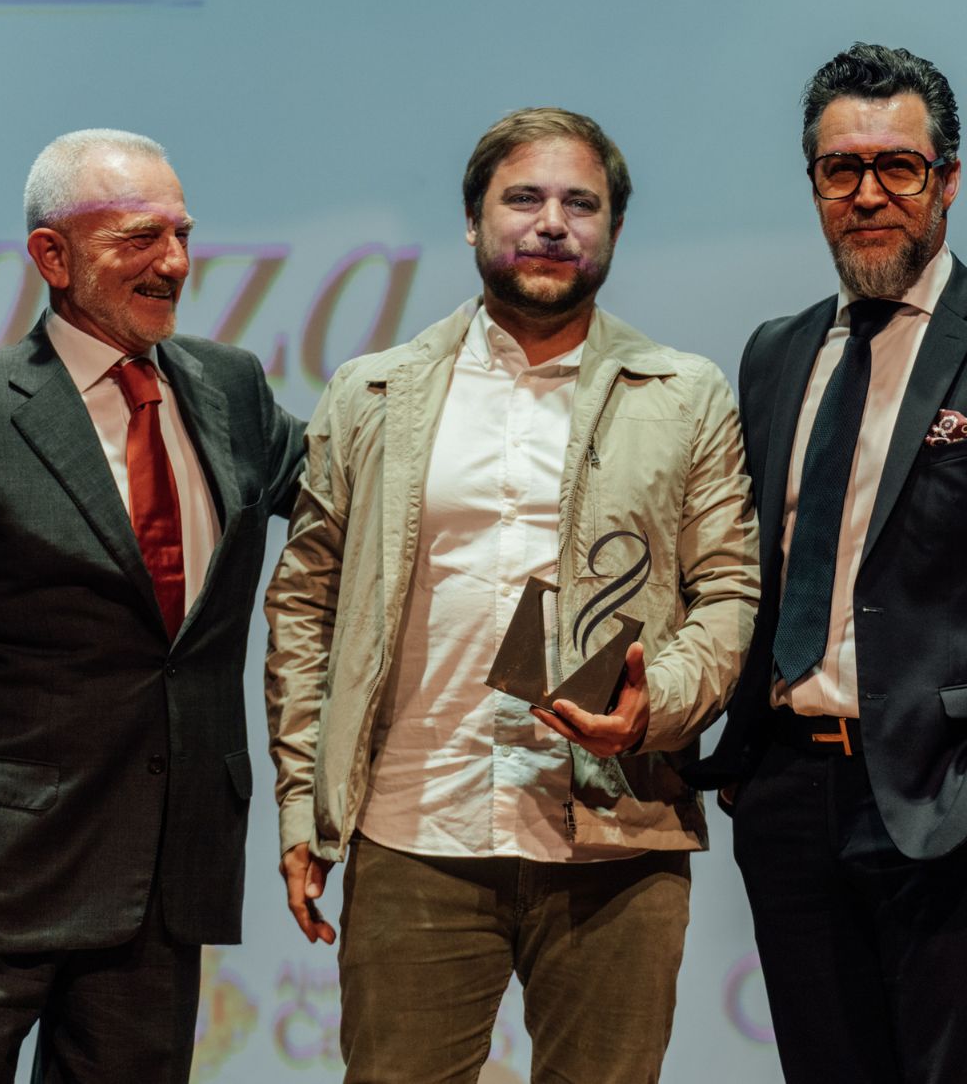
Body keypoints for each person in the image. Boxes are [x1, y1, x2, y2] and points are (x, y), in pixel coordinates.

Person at [261, 107, 759, 1083]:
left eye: (582, 203)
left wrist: (654, 704)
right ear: (472, 219)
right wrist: (302, 806)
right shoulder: (372, 393)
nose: (552, 223)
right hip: (415, 830)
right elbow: (305, 607)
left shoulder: (685, 393)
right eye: (523, 198)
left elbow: (730, 592)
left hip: (617, 841)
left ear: (615, 227)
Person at [687, 44, 967, 1083]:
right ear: (813, 183)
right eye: (841, 169)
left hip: (954, 798)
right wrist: (747, 773)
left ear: (948, 179)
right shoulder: (775, 352)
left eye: (898, 166)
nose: (868, 194)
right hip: (790, 797)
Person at [0, 129, 306, 1083]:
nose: (174, 262)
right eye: (139, 238)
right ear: (53, 256)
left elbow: (360, 483)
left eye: (181, 234)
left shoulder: (231, 389)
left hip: (163, 879)